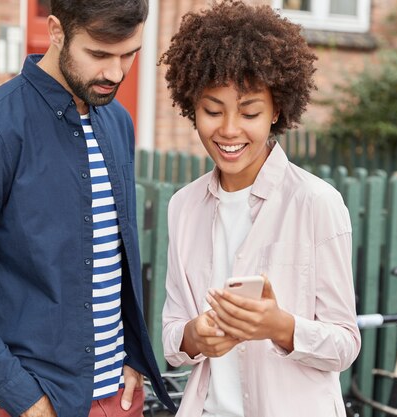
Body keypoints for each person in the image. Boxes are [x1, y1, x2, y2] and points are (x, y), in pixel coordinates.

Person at [0, 1, 175, 417]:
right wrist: (26, 401)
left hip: (119, 400)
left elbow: (111, 259)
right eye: (99, 54)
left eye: (130, 54)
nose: (116, 72)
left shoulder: (118, 122)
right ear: (56, 31)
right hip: (33, 405)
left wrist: (130, 360)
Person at [159, 1, 361, 416]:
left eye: (249, 112)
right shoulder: (183, 207)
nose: (229, 130)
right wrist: (196, 336)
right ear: (191, 107)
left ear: (277, 111)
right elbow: (172, 337)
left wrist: (281, 327)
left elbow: (345, 343)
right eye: (212, 111)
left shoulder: (316, 204)